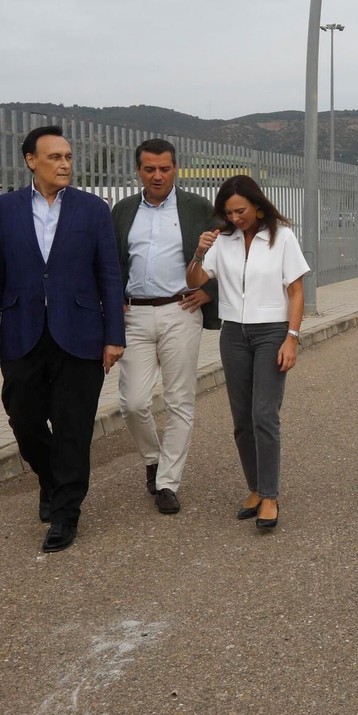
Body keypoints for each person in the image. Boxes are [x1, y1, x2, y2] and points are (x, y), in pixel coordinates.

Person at [0, 126, 125, 554]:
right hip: (21, 332)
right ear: (30, 160)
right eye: (55, 157)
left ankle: (65, 514)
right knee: (23, 419)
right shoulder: (3, 210)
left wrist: (114, 335)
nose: (64, 164)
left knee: (73, 427)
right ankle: (51, 480)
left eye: (68, 157)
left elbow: (109, 276)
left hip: (80, 334)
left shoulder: (94, 209)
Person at [186, 175, 309, 530]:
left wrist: (292, 338)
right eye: (228, 212)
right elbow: (194, 281)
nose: (235, 217)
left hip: (271, 331)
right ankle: (254, 488)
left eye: (240, 210)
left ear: (257, 205)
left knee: (264, 415)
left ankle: (270, 496)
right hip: (233, 334)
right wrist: (199, 252)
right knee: (242, 420)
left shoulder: (281, 237)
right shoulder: (222, 241)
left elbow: (297, 291)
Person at [111, 138, 221, 517]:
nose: (157, 175)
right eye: (149, 169)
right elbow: (110, 261)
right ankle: (153, 459)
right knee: (133, 403)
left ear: (176, 168)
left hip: (181, 310)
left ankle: (168, 483)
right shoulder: (123, 211)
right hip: (133, 315)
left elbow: (227, 252)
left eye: (165, 168)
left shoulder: (198, 208)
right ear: (138, 170)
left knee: (180, 400)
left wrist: (210, 290)